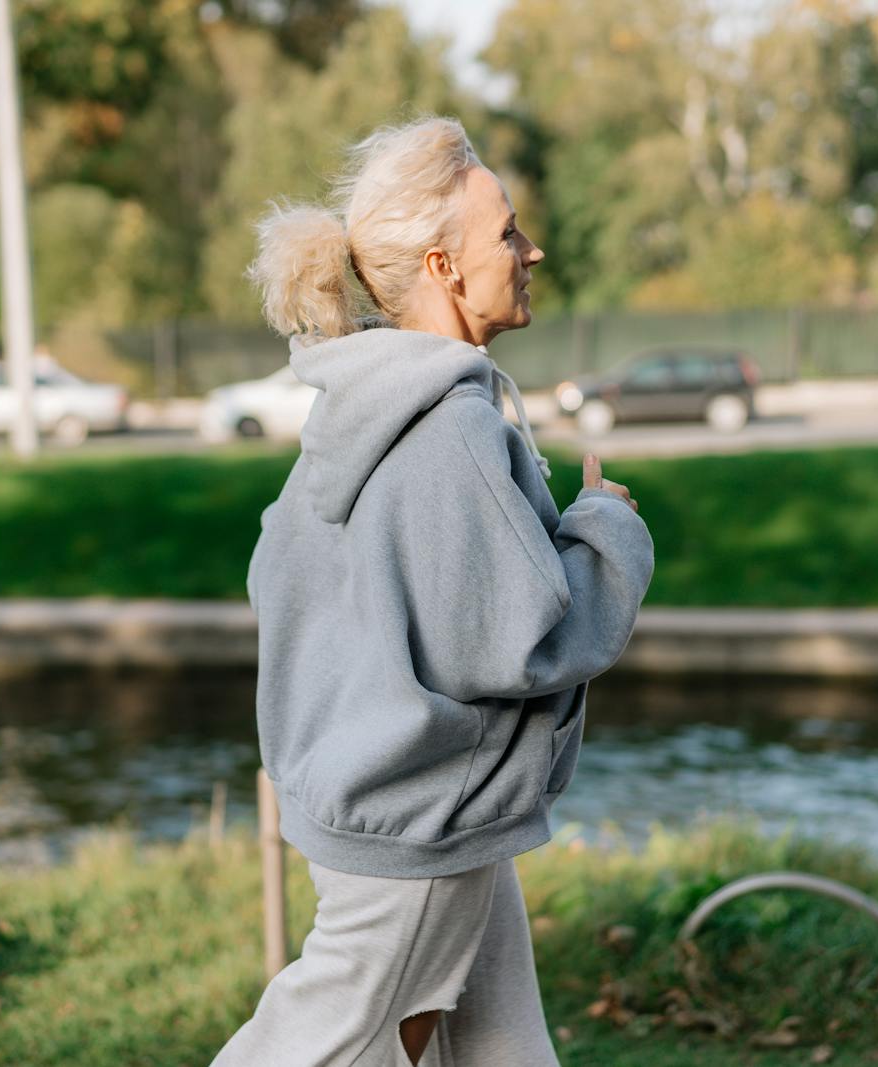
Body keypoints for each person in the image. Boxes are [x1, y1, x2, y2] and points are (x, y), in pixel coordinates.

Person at [211, 115, 654, 1067]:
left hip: (402, 795)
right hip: (418, 813)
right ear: (446, 267)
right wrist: (606, 525)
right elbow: (515, 642)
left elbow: (276, 571)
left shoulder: (362, 402)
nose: (532, 249)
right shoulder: (450, 427)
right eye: (506, 233)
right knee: (330, 1043)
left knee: (496, 1041)